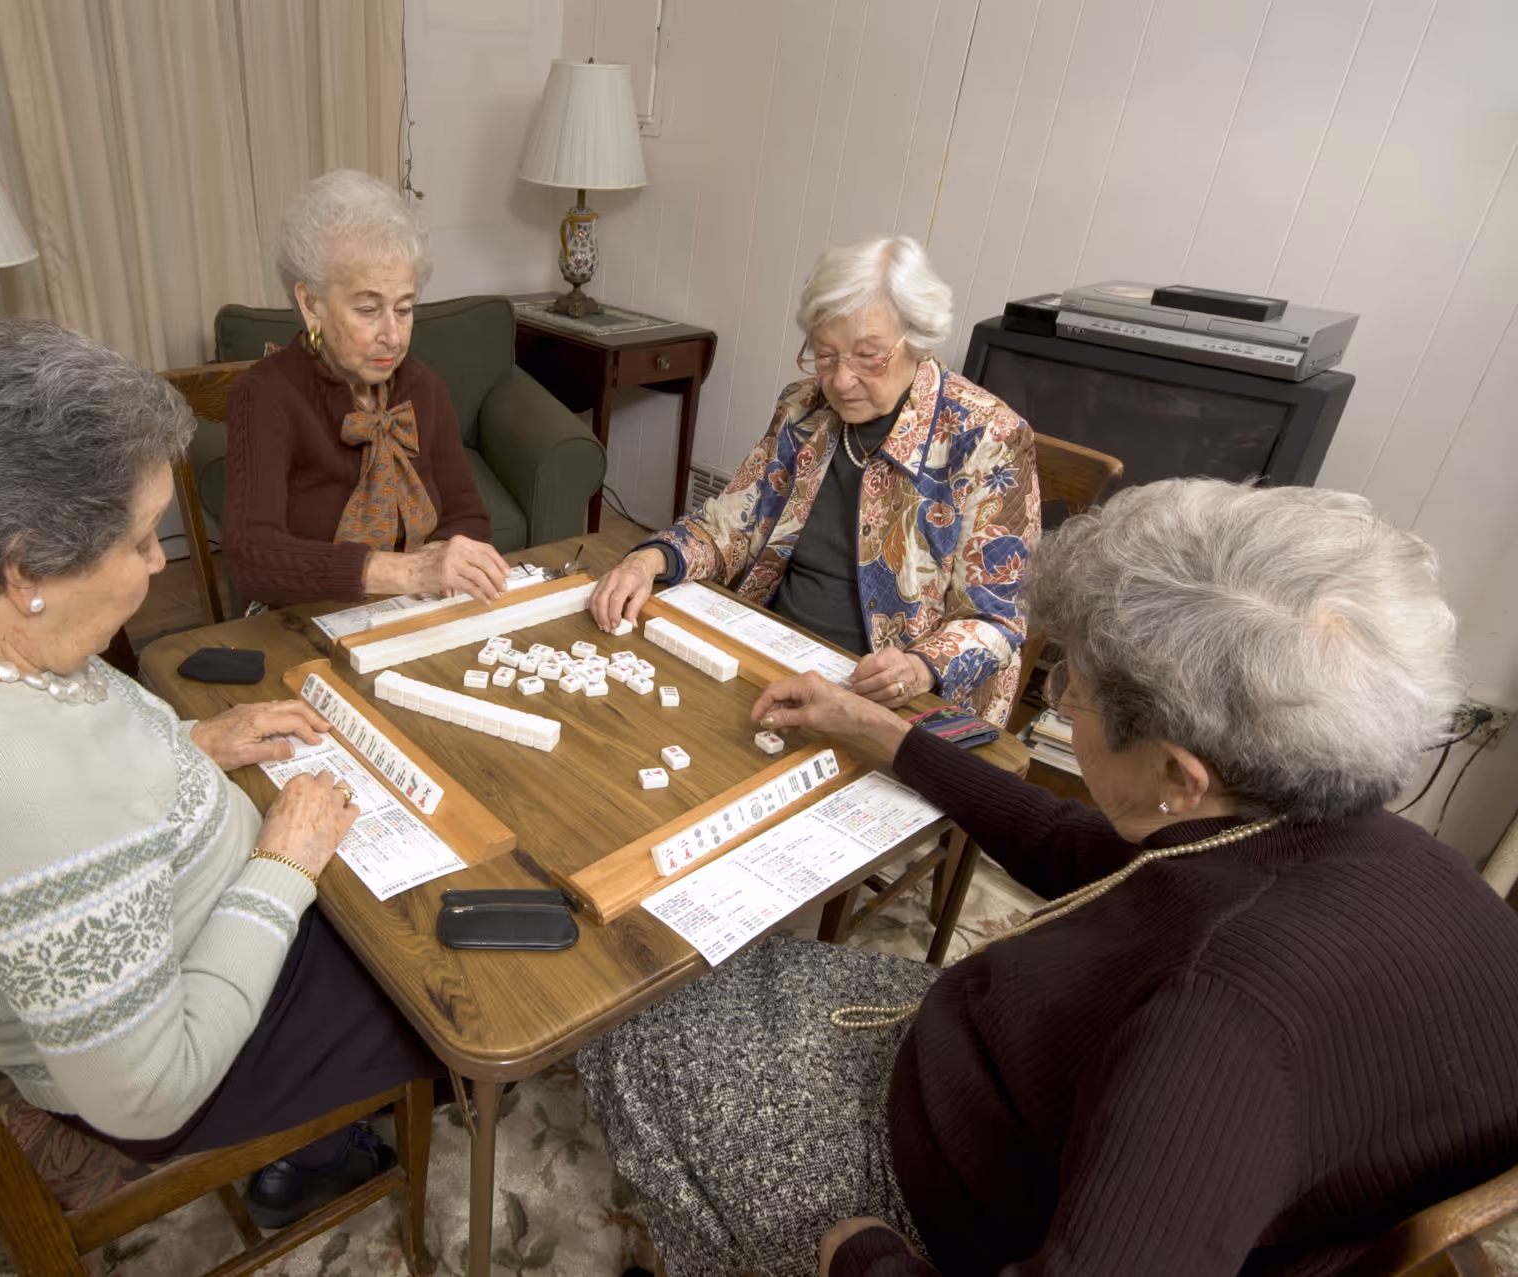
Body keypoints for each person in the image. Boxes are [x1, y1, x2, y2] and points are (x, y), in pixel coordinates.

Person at [577, 479, 1518, 1276]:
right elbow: (1081, 850)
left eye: (1073, 689)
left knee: (623, 1012)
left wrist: (865, 1255)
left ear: (1179, 777)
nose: (1056, 695)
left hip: (929, 1191)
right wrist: (886, 736)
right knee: (720, 970)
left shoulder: (1220, 1025)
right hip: (1004, 1073)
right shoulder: (1362, 842)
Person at [0, 321, 444, 1229]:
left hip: (86, 935)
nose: (162, 562)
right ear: (24, 566)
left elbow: (50, 807)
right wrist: (284, 864)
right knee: (428, 957)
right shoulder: (15, 788)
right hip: (183, 1052)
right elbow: (147, 1093)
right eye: (143, 538)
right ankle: (320, 1143)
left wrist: (188, 752)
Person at [590, 236, 1038, 725]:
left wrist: (919, 668)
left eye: (868, 356)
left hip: (891, 700)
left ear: (918, 337)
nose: (841, 381)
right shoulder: (804, 408)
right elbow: (730, 526)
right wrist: (650, 558)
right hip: (772, 651)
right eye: (825, 356)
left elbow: (997, 619)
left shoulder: (989, 438)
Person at [222, 168, 508, 610]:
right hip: (301, 619)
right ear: (311, 303)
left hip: (413, 611)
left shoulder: (424, 388)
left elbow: (468, 515)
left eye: (405, 308)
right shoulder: (263, 396)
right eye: (368, 309)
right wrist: (407, 571)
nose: (393, 336)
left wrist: (442, 557)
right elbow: (252, 559)